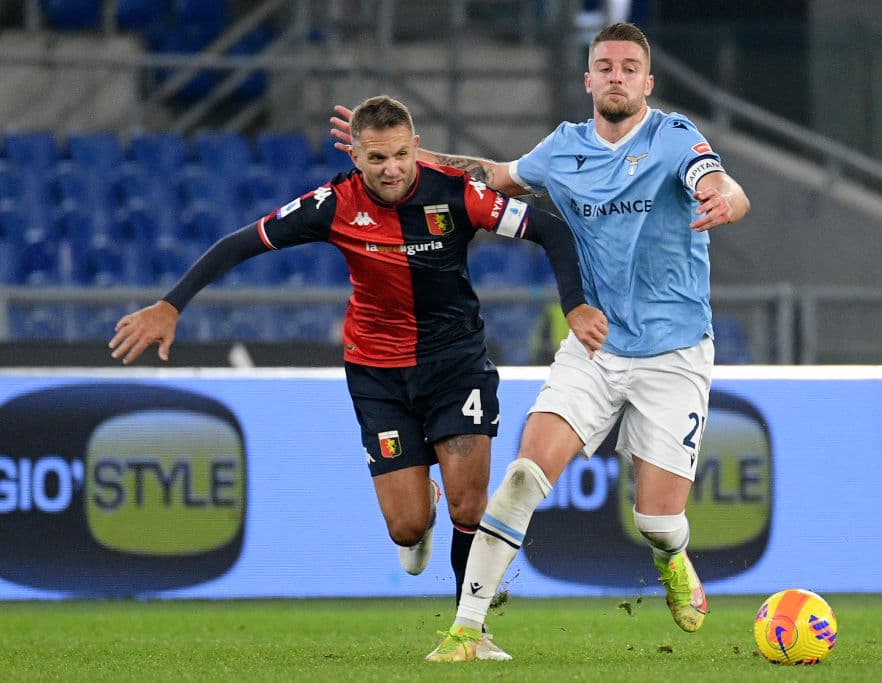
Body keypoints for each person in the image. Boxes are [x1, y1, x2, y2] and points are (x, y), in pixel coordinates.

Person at [108, 95, 608, 661]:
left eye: (400, 155)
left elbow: (549, 229)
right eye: (377, 159)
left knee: (469, 509)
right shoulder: (333, 203)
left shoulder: (456, 193)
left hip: (457, 365)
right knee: (406, 527)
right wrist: (172, 305)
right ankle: (423, 503)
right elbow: (241, 243)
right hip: (378, 375)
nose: (391, 169)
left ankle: (472, 630)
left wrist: (573, 305)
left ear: (415, 147)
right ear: (357, 155)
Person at [331, 22, 750, 662]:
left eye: (629, 67)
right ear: (588, 80)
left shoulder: (674, 137)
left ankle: (671, 556)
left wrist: (725, 199)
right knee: (525, 475)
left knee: (657, 522)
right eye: (604, 66)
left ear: (647, 82)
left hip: (674, 353)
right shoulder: (562, 149)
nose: (616, 76)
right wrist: (399, 155)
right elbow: (490, 177)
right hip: (595, 348)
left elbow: (719, 184)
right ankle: (467, 630)